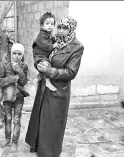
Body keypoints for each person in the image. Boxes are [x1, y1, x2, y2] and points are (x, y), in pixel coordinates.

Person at [25, 16, 84, 157]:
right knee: (40, 117)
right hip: (44, 87)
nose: (61, 30)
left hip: (58, 89)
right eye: (60, 27)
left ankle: (48, 152)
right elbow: (41, 54)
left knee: (52, 122)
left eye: (65, 28)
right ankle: (36, 145)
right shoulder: (54, 40)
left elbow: (71, 72)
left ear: (71, 29)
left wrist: (49, 71)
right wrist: (38, 65)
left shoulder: (77, 47)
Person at [0, 43, 29, 152]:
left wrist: (19, 70)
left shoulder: (24, 66)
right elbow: (0, 81)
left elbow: (24, 82)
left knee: (16, 120)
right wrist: (12, 78)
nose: (16, 56)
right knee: (8, 118)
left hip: (19, 97)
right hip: (7, 97)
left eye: (19, 54)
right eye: (14, 53)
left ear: (22, 54)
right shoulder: (4, 65)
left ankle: (15, 142)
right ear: (11, 53)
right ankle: (7, 138)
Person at [32, 12, 58, 93]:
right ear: (42, 25)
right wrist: (54, 45)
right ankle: (48, 82)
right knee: (47, 67)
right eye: (47, 23)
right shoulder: (41, 35)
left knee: (43, 70)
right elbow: (45, 45)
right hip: (40, 56)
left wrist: (56, 40)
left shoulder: (48, 34)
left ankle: (36, 80)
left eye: (52, 24)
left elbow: (52, 40)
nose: (50, 25)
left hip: (43, 56)